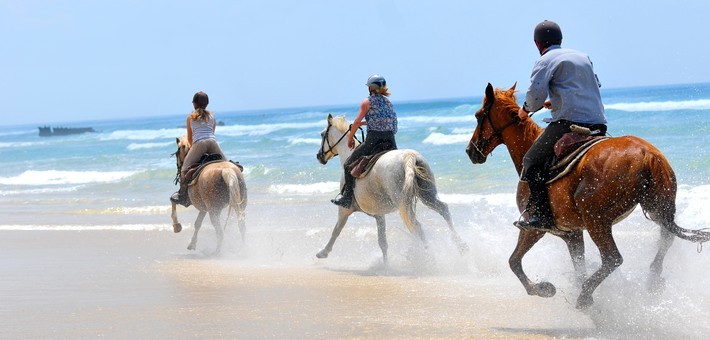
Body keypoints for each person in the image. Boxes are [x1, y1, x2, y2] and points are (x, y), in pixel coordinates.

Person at [514, 20, 608, 230]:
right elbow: (590, 86)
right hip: (598, 123)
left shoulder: (545, 60)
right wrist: (555, 101)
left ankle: (542, 216)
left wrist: (524, 111)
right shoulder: (583, 57)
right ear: (561, 40)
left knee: (531, 160)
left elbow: (535, 96)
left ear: (537, 44)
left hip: (568, 124)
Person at [331, 74, 398, 208]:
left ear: (370, 88)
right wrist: (366, 123)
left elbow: (355, 122)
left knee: (348, 164)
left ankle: (347, 198)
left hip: (374, 140)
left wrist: (350, 138)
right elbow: (393, 124)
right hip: (391, 140)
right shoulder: (388, 102)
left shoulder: (367, 102)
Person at [170, 91, 227, 207]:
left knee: (184, 169)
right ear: (207, 104)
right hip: (213, 143)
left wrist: (193, 149)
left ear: (194, 104)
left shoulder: (190, 118)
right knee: (227, 165)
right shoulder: (212, 117)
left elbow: (190, 138)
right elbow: (212, 132)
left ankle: (182, 195)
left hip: (199, 144)